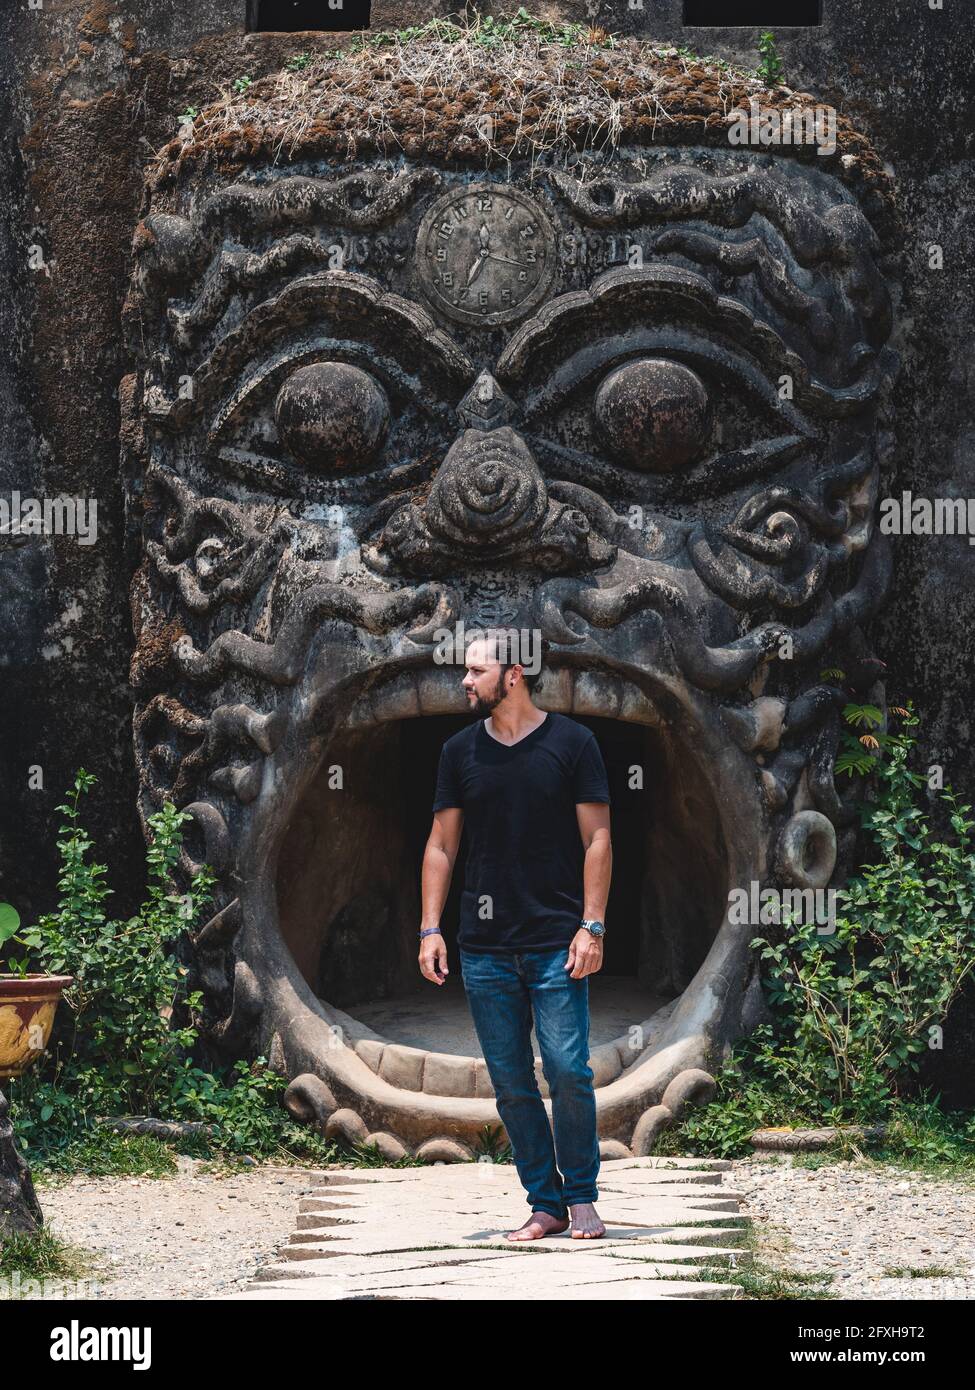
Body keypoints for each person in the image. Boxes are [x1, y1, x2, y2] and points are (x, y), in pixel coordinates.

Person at [418, 631, 612, 1241]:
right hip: (485, 947)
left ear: (514, 675)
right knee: (510, 1081)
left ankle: (582, 1195)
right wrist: (430, 928)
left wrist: (592, 925)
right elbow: (441, 845)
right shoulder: (458, 752)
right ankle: (545, 1202)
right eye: (464, 672)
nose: (464, 682)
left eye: (475, 671)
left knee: (567, 1069)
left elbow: (598, 840)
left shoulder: (574, 744)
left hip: (559, 940)